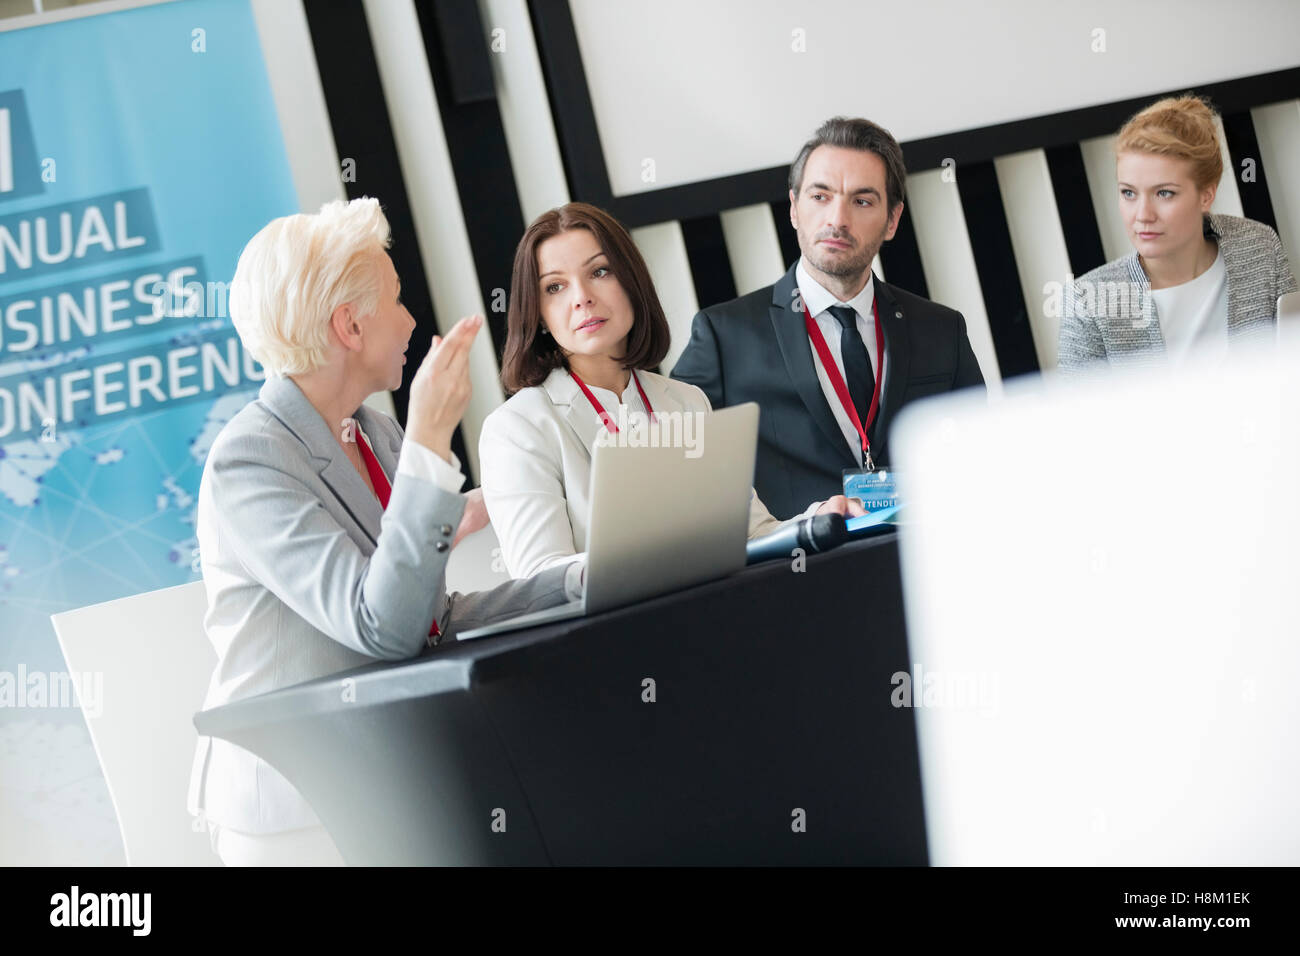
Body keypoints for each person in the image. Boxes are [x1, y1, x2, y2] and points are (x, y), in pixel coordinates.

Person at [187, 198, 581, 866]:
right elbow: (383, 627)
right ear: (348, 325)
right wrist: (431, 439)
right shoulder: (249, 459)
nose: (409, 321)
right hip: (299, 812)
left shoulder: (374, 433)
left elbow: (430, 618)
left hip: (387, 774)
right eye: (397, 301)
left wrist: (580, 576)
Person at [478, 202, 861, 580]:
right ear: (538, 315)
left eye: (600, 271)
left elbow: (752, 536)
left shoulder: (687, 400)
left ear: (631, 282)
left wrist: (819, 517)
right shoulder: (517, 428)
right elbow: (538, 580)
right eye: (555, 286)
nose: (581, 297)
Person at [671, 116, 985, 519]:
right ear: (794, 209)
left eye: (862, 201)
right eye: (820, 197)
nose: (837, 219)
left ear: (892, 220)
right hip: (799, 572)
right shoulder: (724, 336)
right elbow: (672, 473)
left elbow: (978, 456)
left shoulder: (943, 330)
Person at [1058, 95, 1297, 371]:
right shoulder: (1087, 303)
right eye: (1128, 193)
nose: (1143, 215)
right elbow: (1081, 413)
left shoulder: (1258, 247)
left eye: (1164, 193)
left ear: (1206, 195)